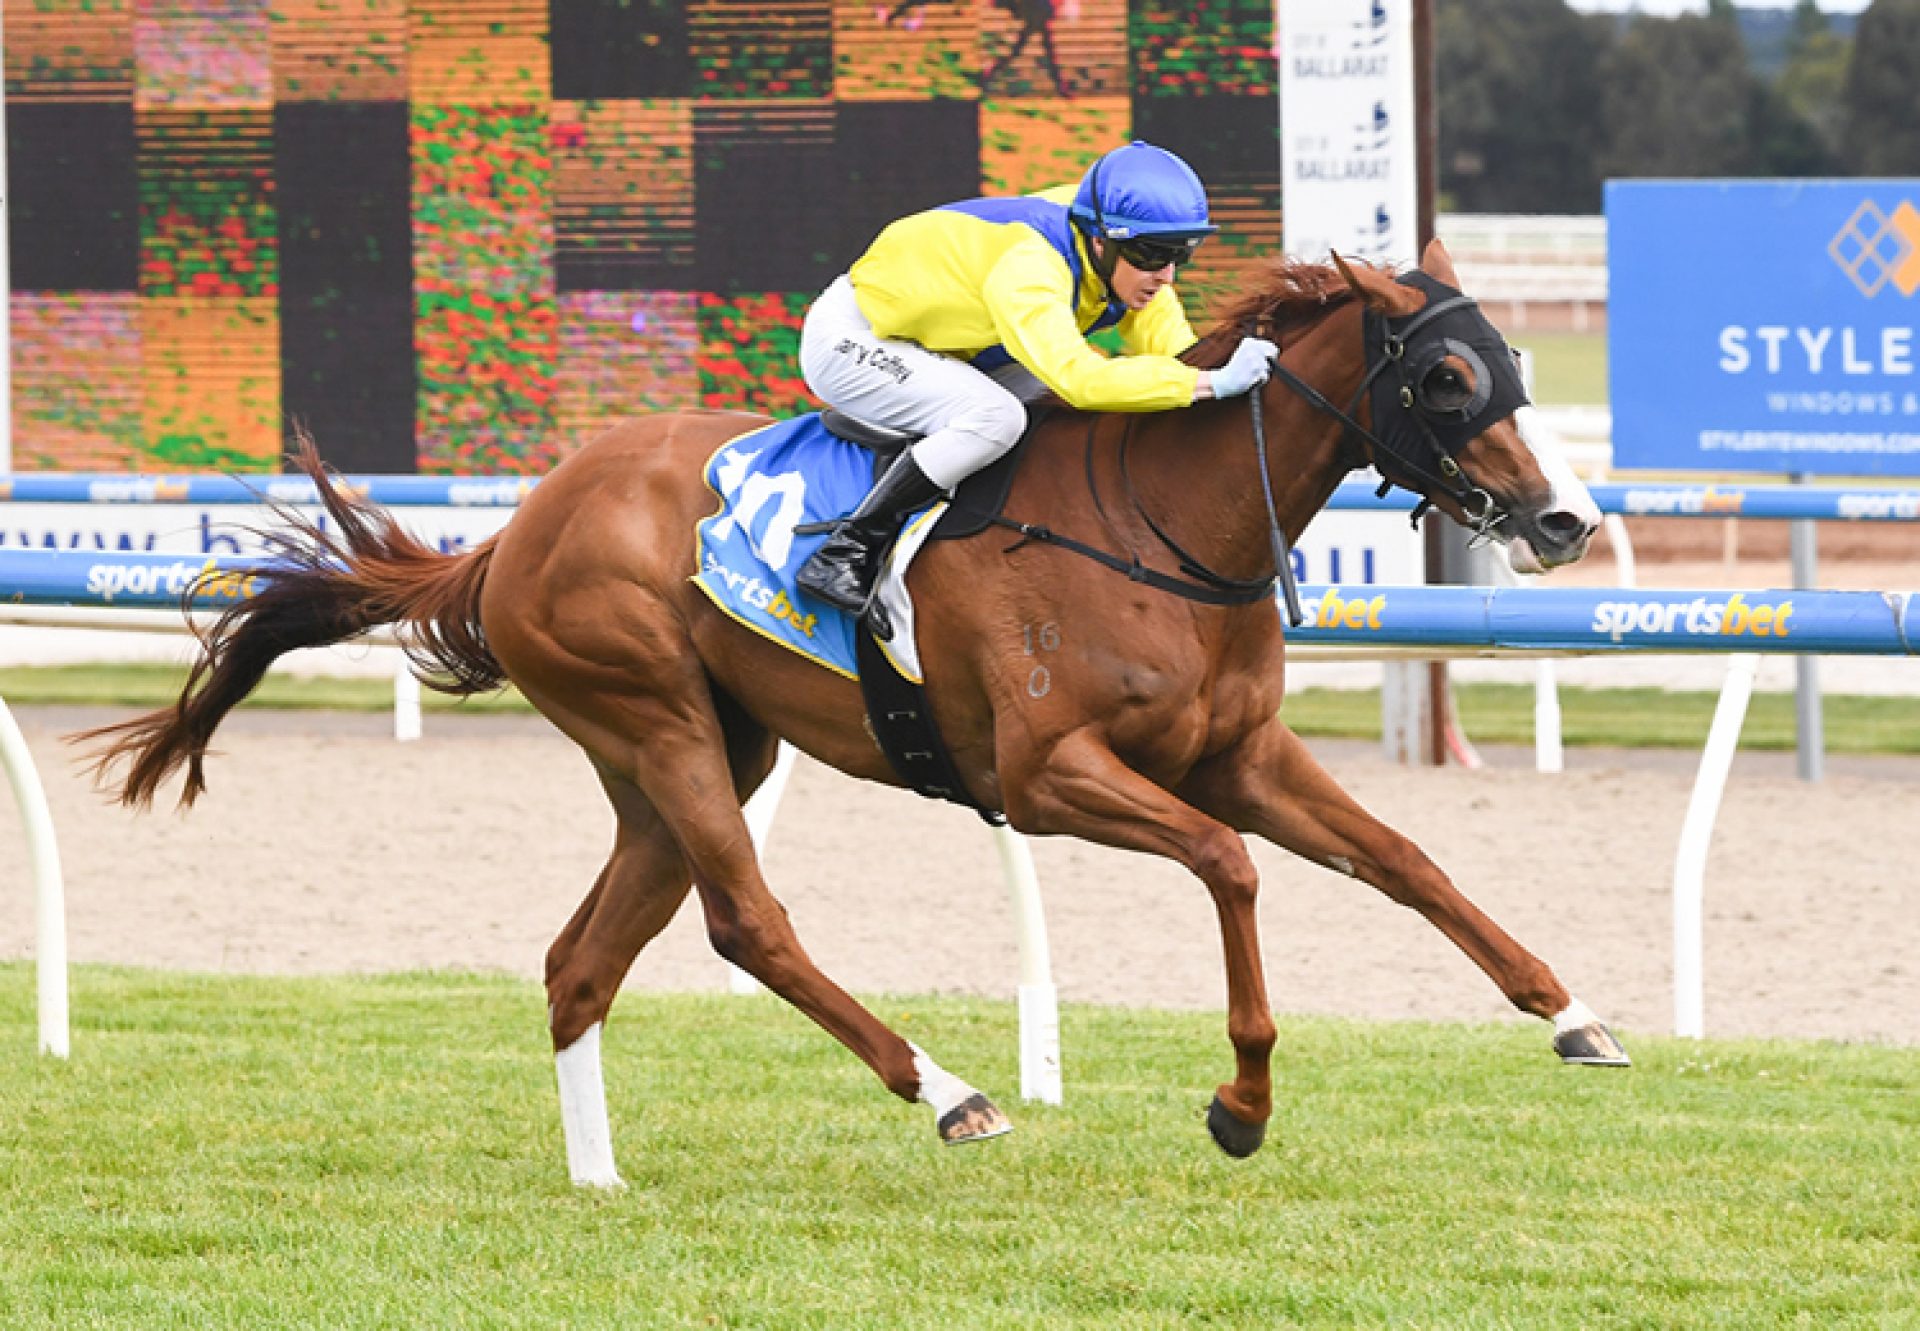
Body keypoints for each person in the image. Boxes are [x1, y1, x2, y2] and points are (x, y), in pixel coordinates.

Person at [795, 139, 1278, 620]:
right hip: (858, 338)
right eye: (1154, 254)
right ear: (1099, 242)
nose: (1167, 276)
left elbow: (1173, 352)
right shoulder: (1031, 266)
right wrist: (1210, 383)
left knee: (1053, 416)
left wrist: (1221, 377)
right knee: (995, 417)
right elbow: (1080, 380)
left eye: (1180, 254)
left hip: (957, 345)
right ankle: (849, 549)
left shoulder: (1116, 248)